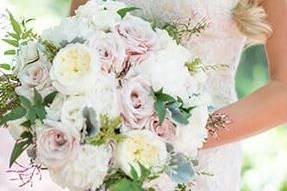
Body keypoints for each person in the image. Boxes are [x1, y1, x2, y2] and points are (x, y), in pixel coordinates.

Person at [70, 0, 286, 190]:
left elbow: (283, 92)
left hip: (199, 160)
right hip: (105, 149)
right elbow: (75, 41)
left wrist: (179, 135)